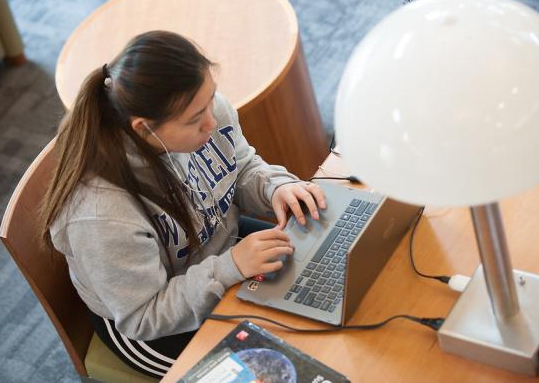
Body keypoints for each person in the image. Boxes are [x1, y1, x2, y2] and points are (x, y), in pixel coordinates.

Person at [39, 30, 326, 378]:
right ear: (144, 129)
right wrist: (231, 267)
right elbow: (142, 316)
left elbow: (242, 166)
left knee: (319, 288)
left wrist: (274, 188)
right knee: (287, 365)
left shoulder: (205, 111)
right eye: (195, 119)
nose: (213, 121)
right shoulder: (101, 215)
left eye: (211, 100)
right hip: (152, 321)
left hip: (219, 249)